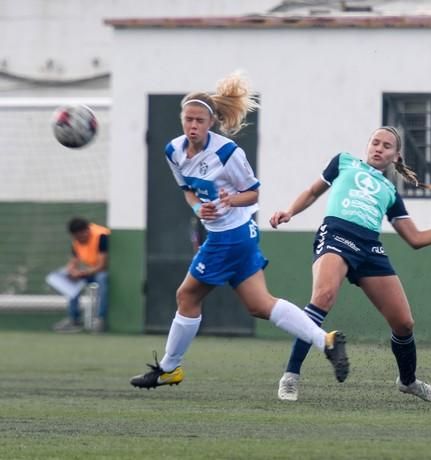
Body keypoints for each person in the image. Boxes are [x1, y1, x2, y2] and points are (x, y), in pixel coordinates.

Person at [129, 72, 349, 390]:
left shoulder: (227, 152)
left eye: (199, 121)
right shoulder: (173, 151)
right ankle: (325, 340)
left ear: (211, 122)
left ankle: (169, 368)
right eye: (188, 119)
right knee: (259, 304)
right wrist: (196, 208)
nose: (193, 126)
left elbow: (254, 193)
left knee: (186, 295)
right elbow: (188, 190)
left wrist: (230, 199)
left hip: (229, 236)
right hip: (233, 236)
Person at [270, 126, 431, 402]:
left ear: (396, 157)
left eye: (386, 146)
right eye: (375, 142)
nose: (378, 148)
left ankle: (408, 382)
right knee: (323, 297)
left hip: (369, 248)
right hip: (337, 234)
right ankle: (291, 376)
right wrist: (290, 211)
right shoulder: (344, 162)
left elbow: (416, 238)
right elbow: (313, 192)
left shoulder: (390, 192)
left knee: (404, 323)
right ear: (367, 145)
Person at [50, 217, 110, 333]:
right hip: (90, 271)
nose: (80, 239)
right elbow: (73, 261)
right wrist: (72, 271)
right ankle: (74, 319)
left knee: (102, 279)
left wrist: (82, 273)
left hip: (104, 272)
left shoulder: (101, 236)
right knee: (68, 278)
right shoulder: (76, 241)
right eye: (76, 237)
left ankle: (101, 319)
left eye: (82, 236)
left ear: (87, 230)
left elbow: (102, 265)